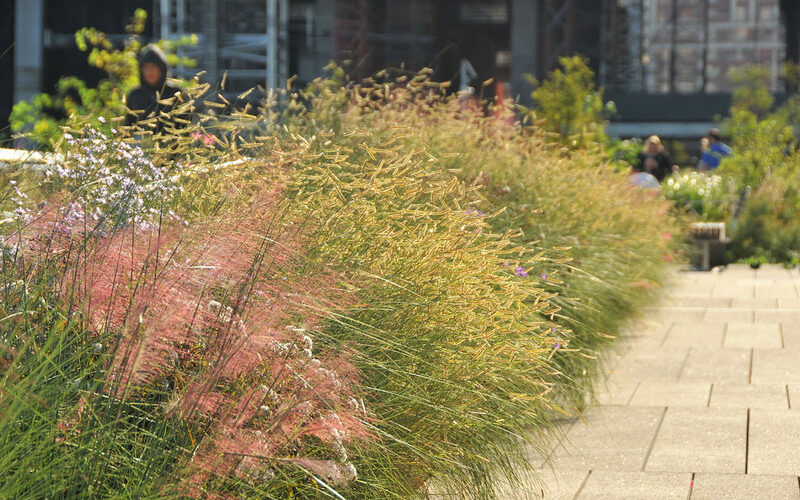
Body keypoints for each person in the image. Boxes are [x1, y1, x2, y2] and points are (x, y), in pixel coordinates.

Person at [125, 44, 184, 130]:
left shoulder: (176, 94)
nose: (149, 71)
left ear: (162, 69)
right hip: (140, 142)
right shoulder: (135, 95)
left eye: (153, 66)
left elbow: (185, 127)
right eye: (146, 67)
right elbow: (128, 127)